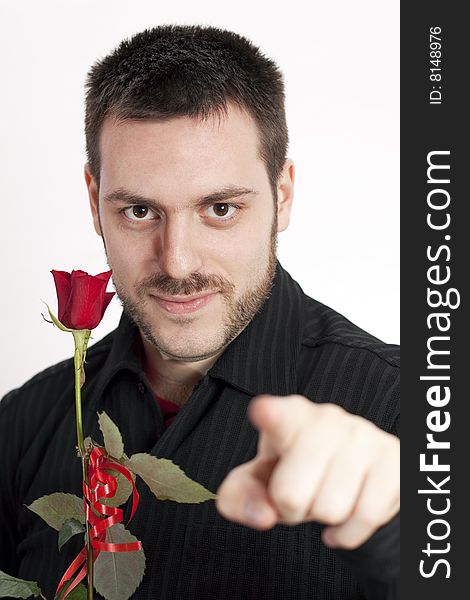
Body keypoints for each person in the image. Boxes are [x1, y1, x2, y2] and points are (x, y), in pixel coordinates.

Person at [0, 24, 399, 600]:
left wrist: (405, 527)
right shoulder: (22, 423)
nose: (178, 262)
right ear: (95, 203)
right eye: (139, 210)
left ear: (282, 196)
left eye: (219, 208)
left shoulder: (411, 409)